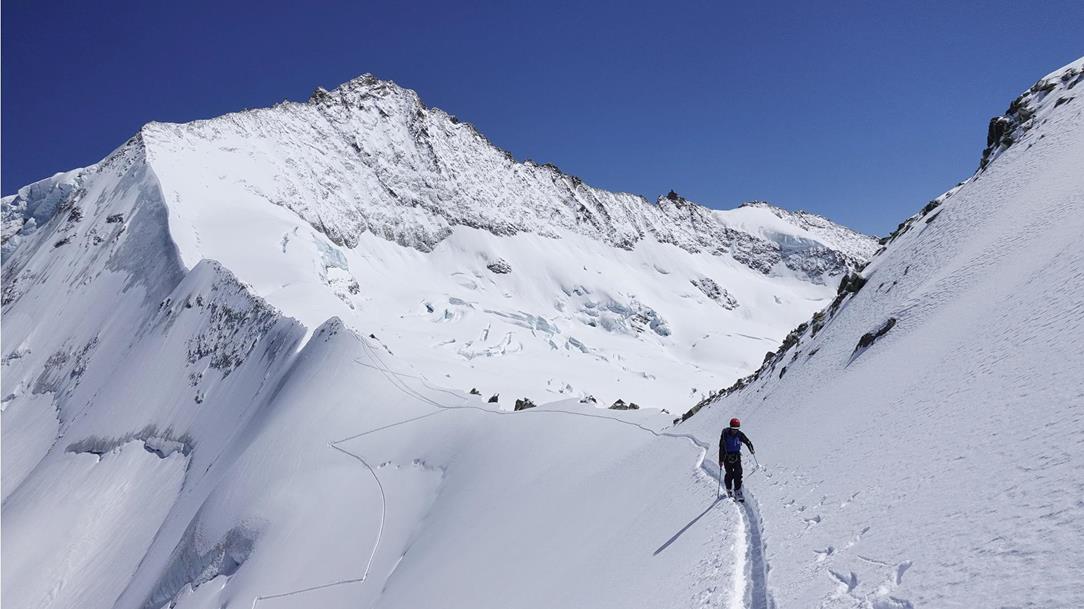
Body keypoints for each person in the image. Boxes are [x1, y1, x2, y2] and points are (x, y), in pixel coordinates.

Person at [719, 417, 754, 500]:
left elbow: (747, 441)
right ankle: (729, 489)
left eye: (737, 428)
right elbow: (721, 447)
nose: (735, 430)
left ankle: (738, 491)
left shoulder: (739, 434)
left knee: (738, 473)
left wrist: (751, 449)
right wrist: (721, 460)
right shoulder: (725, 435)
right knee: (730, 474)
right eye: (733, 428)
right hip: (727, 457)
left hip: (737, 456)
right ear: (730, 427)